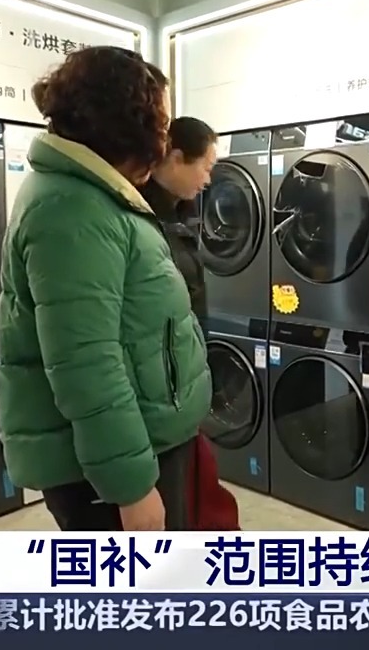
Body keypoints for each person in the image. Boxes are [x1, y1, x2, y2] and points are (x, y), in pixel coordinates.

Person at [0, 46, 211, 531]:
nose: (163, 138)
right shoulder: (73, 210)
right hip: (108, 466)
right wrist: (130, 486)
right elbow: (87, 363)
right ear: (127, 124)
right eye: (160, 123)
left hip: (138, 441)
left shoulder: (93, 195)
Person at [141, 116, 242, 531]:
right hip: (160, 400)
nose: (209, 179)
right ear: (176, 158)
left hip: (179, 392)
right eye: (206, 166)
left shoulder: (176, 214)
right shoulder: (139, 218)